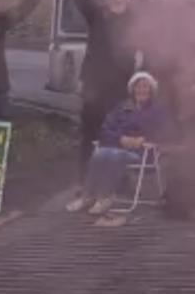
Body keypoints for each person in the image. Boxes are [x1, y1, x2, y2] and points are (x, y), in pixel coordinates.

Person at [61, 0, 137, 176]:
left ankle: (120, 185)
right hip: (95, 88)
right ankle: (85, 183)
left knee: (119, 137)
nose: (118, 0)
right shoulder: (97, 17)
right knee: (90, 137)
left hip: (121, 91)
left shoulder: (136, 22)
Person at [72, 72, 179, 223]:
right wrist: (121, 138)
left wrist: (145, 139)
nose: (142, 90)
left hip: (143, 153)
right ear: (133, 89)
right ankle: (88, 196)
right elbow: (105, 129)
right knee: (99, 153)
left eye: (146, 87)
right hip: (119, 147)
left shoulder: (157, 111)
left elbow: (167, 132)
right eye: (139, 87)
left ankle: (105, 197)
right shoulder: (122, 107)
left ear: (151, 90)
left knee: (113, 155)